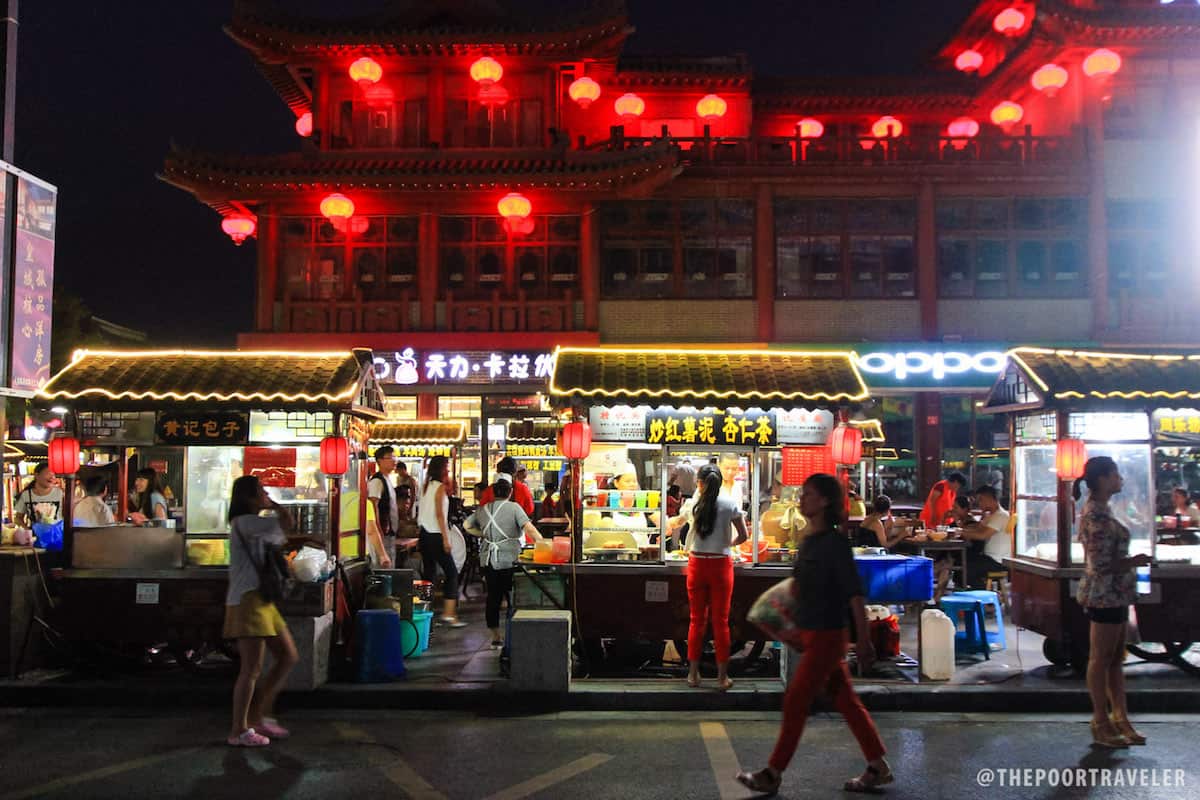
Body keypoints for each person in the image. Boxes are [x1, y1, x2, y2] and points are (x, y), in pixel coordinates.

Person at [737, 474, 890, 794]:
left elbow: (855, 593)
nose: (802, 499)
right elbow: (797, 590)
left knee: (796, 701)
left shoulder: (835, 544)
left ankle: (773, 773)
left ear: (824, 502)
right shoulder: (809, 541)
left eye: (808, 495)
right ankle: (877, 765)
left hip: (828, 635)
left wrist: (863, 640)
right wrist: (783, 625)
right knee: (846, 701)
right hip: (811, 632)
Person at [1074, 456, 1150, 748]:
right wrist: (1134, 561)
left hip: (1116, 594)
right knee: (1100, 659)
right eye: (1116, 475)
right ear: (1103, 479)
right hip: (1104, 595)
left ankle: (1121, 717)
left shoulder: (1104, 510)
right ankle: (1100, 720)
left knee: (1116, 659)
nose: (1120, 480)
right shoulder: (1096, 516)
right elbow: (1101, 563)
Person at [224, 475, 298, 747]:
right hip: (247, 600)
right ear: (248, 497)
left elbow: (285, 530)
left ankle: (258, 715)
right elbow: (287, 525)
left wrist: (271, 504)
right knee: (251, 669)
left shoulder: (253, 523)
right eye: (261, 491)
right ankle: (239, 729)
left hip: (261, 599)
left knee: (287, 656)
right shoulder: (246, 522)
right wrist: (275, 505)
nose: (265, 494)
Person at [670, 464, 748, 690]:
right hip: (721, 566)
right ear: (720, 481)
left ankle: (693, 675)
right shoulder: (729, 504)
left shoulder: (694, 503)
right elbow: (743, 536)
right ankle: (722, 678)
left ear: (700, 483)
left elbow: (681, 523)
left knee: (696, 621)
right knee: (721, 622)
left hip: (696, 565)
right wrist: (727, 544)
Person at [464, 477, 543, 648]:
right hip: (509, 559)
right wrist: (543, 543)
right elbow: (528, 528)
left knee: (493, 597)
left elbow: (466, 525)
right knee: (513, 596)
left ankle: (495, 636)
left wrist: (483, 534)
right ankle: (514, 635)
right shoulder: (514, 507)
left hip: (488, 560)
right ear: (510, 492)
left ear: (493, 493)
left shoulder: (483, 509)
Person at [418, 455, 465, 627]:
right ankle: (449, 614)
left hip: (424, 534)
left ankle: (424, 612)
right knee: (452, 573)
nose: (449, 470)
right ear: (441, 469)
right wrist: (446, 539)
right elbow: (439, 515)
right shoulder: (438, 487)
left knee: (428, 574)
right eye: (447, 467)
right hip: (435, 535)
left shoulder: (425, 486)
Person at [958, 485, 1011, 587]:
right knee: (961, 563)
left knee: (965, 570)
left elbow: (982, 535)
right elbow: (978, 529)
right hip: (988, 557)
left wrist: (961, 532)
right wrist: (961, 529)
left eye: (980, 500)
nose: (979, 504)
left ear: (988, 499)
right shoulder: (990, 515)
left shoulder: (1001, 516)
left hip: (998, 562)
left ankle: (985, 595)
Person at [366, 447, 398, 569]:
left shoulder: (387, 479)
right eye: (390, 458)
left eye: (395, 457)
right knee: (384, 567)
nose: (394, 461)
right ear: (379, 461)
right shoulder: (377, 481)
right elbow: (373, 505)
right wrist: (378, 529)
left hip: (389, 533)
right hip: (382, 534)